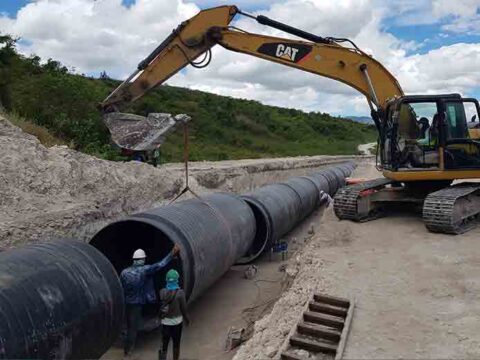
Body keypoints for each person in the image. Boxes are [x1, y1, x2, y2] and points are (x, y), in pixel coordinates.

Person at [120, 246, 180, 356]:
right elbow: (160, 265)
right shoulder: (144, 270)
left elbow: (121, 287)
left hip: (126, 302)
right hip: (137, 303)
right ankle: (127, 352)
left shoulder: (124, 272)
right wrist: (171, 254)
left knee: (129, 325)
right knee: (133, 328)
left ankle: (126, 344)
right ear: (142, 259)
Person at [158, 269, 190, 360]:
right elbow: (184, 308)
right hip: (177, 323)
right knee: (176, 344)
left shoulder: (162, 292)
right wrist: (187, 320)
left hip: (165, 323)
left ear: (166, 279)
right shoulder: (180, 293)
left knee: (164, 344)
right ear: (177, 280)